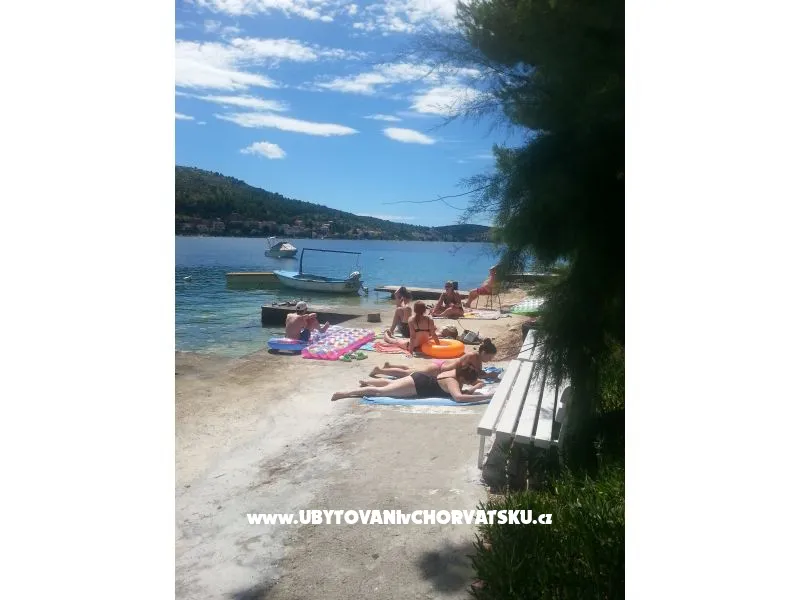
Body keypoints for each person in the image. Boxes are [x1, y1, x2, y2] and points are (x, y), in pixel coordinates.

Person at [331, 363, 493, 403]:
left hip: (419, 379)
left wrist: (475, 387)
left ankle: (368, 381)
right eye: (469, 382)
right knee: (382, 392)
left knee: (389, 385)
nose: (468, 384)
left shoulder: (454, 374)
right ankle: (345, 393)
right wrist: (485, 397)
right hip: (417, 386)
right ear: (463, 378)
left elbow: (462, 392)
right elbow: (459, 397)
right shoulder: (453, 381)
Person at [373, 338, 499, 380]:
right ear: (483, 352)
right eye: (490, 357)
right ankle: (380, 371)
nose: (490, 360)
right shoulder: (472, 356)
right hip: (439, 369)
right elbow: (466, 372)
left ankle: (389, 366)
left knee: (412, 369)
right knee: (409, 373)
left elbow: (478, 372)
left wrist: (487, 374)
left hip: (443, 365)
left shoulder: (478, 358)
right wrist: (487, 375)